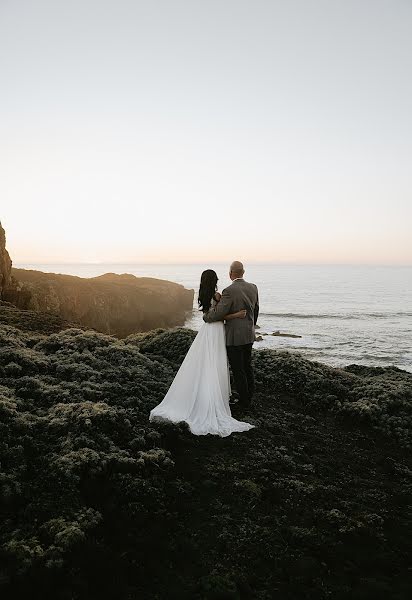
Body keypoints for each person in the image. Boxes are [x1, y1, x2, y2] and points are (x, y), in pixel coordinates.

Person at [149, 269, 255, 436]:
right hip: (216, 330)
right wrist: (237, 315)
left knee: (207, 361)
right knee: (215, 361)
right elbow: (217, 316)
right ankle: (215, 394)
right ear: (214, 280)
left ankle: (207, 391)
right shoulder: (217, 296)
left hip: (208, 331)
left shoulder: (204, 295)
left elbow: (209, 316)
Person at [203, 261, 259, 409]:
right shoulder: (253, 287)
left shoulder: (229, 291)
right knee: (247, 366)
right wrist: (251, 326)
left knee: (238, 369)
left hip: (234, 336)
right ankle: (249, 396)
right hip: (249, 334)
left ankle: (244, 401)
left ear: (230, 274)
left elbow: (219, 314)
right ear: (243, 272)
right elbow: (256, 311)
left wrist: (206, 317)